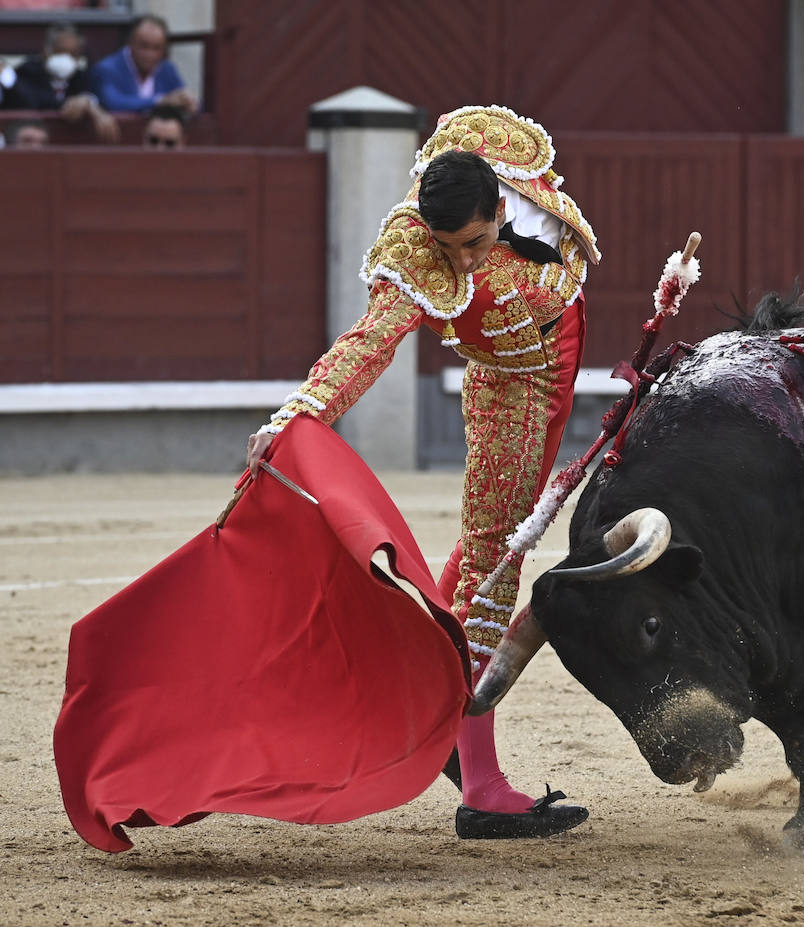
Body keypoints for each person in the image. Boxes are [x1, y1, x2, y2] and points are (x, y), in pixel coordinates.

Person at [246, 105, 598, 840]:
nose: (462, 261)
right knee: (497, 563)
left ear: (500, 205)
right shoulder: (418, 251)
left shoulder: (499, 156)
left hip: (557, 366)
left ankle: (421, 694)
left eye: (472, 242)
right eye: (450, 248)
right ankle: (482, 785)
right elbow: (368, 342)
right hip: (512, 387)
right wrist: (298, 414)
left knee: (482, 552)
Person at [15, 22, 119, 143]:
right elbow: (35, 102)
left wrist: (88, 103)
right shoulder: (26, 71)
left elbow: (96, 98)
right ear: (46, 50)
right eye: (60, 51)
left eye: (73, 54)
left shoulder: (82, 76)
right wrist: (73, 104)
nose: (66, 58)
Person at [90, 14, 197, 115]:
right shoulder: (107, 68)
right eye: (144, 46)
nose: (150, 54)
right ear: (130, 43)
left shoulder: (166, 68)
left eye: (156, 48)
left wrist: (189, 102)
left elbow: (182, 97)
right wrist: (160, 101)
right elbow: (113, 102)